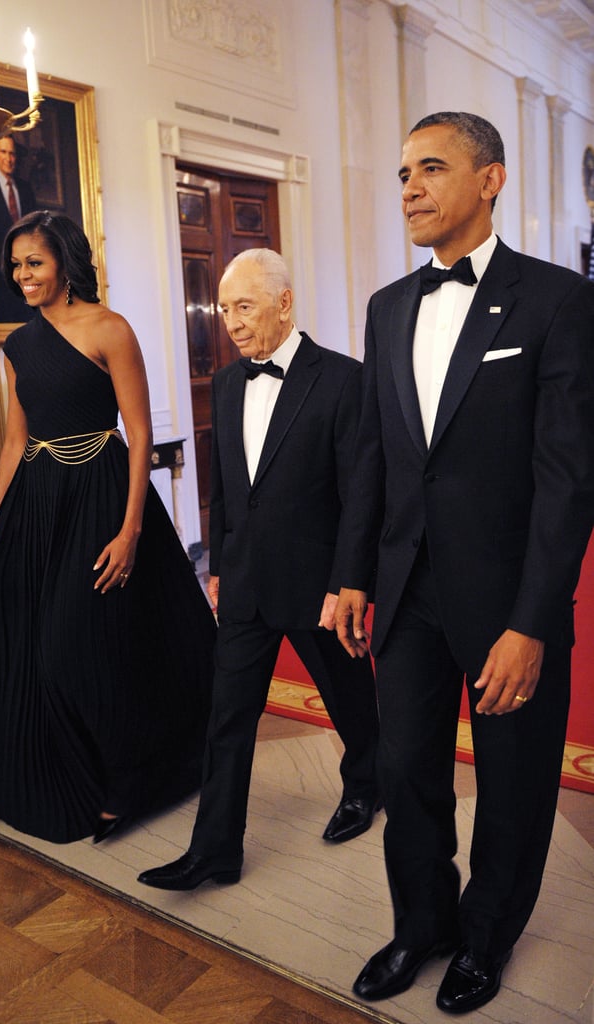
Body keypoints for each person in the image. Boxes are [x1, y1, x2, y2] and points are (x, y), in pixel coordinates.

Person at [333, 112, 594, 1015]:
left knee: (514, 785)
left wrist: (533, 622)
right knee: (405, 771)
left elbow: (567, 481)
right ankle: (421, 927)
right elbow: (373, 453)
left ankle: (486, 941)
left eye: (431, 168)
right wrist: (352, 572)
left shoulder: (557, 301)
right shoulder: (386, 307)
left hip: (509, 598)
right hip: (405, 594)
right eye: (403, 170)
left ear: (491, 180)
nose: (408, 186)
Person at [137, 248, 380, 892]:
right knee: (229, 715)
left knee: (350, 700)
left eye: (245, 307)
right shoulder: (223, 382)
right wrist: (216, 565)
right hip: (244, 580)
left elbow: (361, 496)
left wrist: (347, 583)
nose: (232, 323)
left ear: (284, 301)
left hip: (319, 584)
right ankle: (214, 849)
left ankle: (367, 784)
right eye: (225, 310)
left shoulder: (343, 381)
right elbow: (224, 484)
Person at [0, 210, 215, 844]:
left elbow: (139, 433)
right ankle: (68, 775)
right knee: (33, 636)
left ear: (65, 263)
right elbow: (14, 441)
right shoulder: (18, 345)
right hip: (38, 497)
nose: (24, 275)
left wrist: (131, 529)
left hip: (101, 493)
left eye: (36, 262)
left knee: (78, 646)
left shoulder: (110, 329)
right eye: (17, 265)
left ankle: (129, 782)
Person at [0, 135, 37, 322]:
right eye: (4, 152)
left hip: (26, 266)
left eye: (12, 153)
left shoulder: (24, 188)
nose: (9, 158)